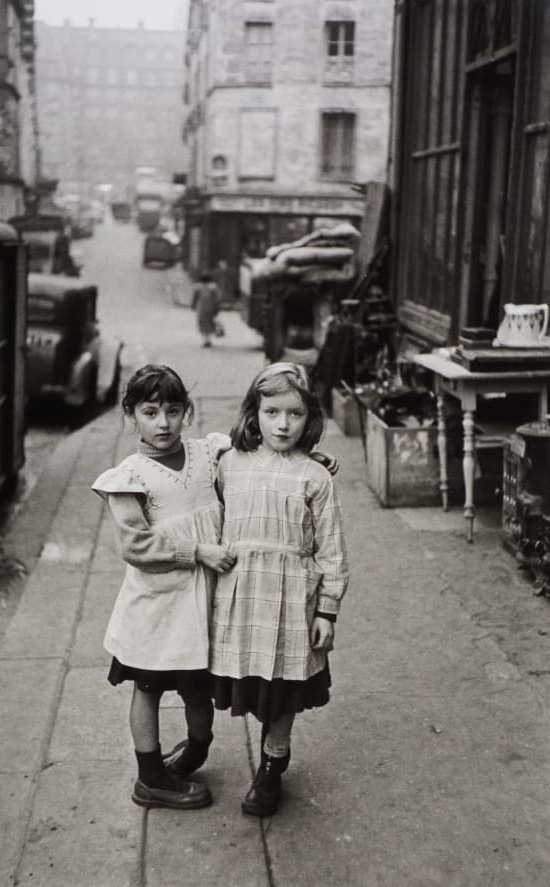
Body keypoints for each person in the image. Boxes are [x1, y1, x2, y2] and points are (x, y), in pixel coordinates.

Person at [91, 364, 236, 811]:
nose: (163, 422)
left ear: (187, 413)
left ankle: (195, 749)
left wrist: (309, 459)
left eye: (174, 411)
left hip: (202, 602)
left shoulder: (208, 456)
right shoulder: (129, 477)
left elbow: (256, 457)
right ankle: (150, 776)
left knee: (198, 686)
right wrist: (196, 552)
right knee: (149, 686)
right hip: (156, 604)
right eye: (150, 411)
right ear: (131, 413)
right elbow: (136, 544)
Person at [210, 362, 349, 817]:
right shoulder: (227, 463)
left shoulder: (315, 477)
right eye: (272, 412)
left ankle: (273, 761)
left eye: (295, 414)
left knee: (284, 686)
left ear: (310, 418)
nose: (283, 424)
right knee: (251, 684)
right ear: (254, 413)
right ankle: (218, 746)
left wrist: (327, 610)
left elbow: (332, 548)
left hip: (292, 599)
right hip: (242, 597)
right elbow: (192, 467)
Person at [191, 271, 221, 348]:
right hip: (211, 307)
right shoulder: (214, 287)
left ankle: (205, 340)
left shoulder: (198, 287)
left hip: (201, 308)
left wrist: (193, 305)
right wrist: (217, 308)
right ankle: (208, 340)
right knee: (209, 323)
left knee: (202, 323)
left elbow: (195, 297)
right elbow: (217, 299)